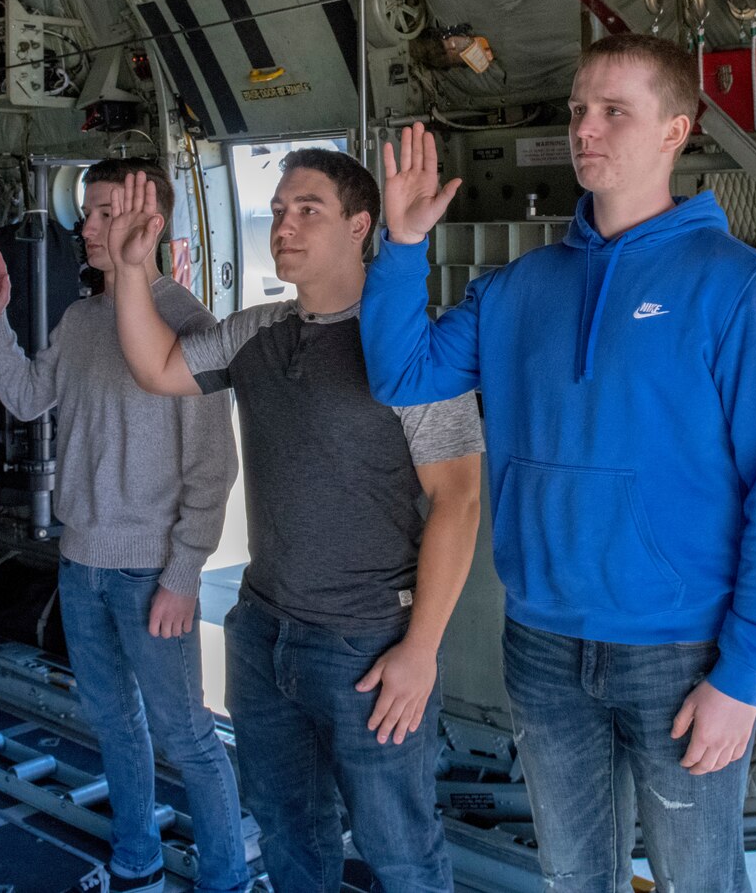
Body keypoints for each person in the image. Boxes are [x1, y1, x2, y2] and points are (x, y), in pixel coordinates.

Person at [359, 33, 756, 893]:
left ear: (675, 130)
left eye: (615, 111)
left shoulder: (733, 282)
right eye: (578, 110)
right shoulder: (519, 286)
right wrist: (401, 245)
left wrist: (746, 674)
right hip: (541, 644)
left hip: (680, 650)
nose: (586, 128)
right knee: (574, 876)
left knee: (699, 879)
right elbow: (402, 371)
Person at [109, 150, 484, 893]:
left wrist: (421, 651)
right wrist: (129, 268)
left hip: (368, 645)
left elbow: (460, 500)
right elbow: (157, 367)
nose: (284, 224)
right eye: (278, 210)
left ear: (360, 226)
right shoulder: (257, 333)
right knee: (288, 833)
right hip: (263, 633)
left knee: (399, 849)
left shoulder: (413, 348)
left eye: (306, 208)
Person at [0, 156, 248, 893]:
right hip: (80, 561)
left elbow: (212, 472)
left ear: (145, 219)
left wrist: (183, 575)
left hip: (149, 570)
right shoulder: (82, 318)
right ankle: (137, 862)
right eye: (85, 213)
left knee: (187, 736)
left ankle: (226, 879)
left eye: (101, 213)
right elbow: (29, 398)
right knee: (115, 725)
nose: (84, 227)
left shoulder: (190, 325)